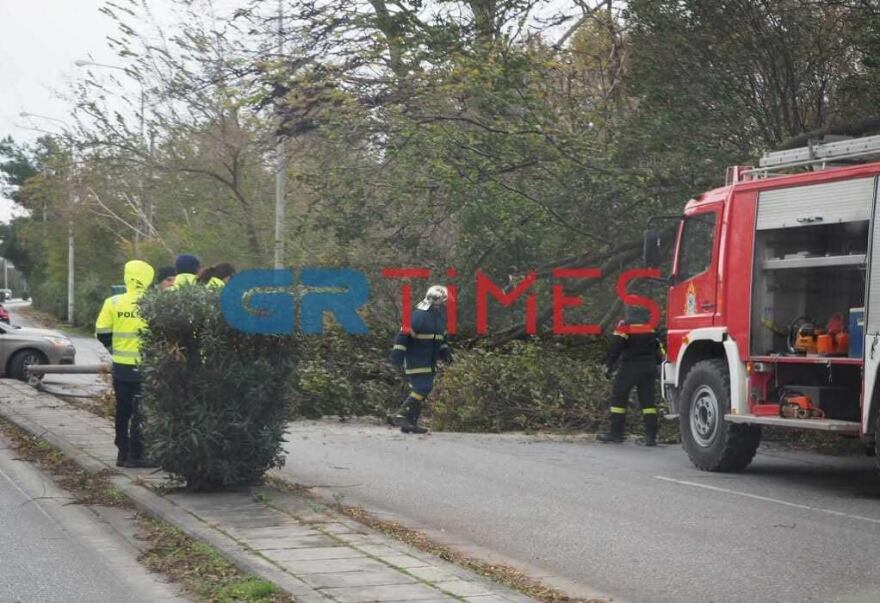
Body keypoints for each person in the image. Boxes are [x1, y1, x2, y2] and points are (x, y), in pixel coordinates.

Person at [95, 260, 156, 468]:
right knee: (142, 411)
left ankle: (122, 452)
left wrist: (113, 349)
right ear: (148, 277)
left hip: (121, 366)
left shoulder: (113, 302)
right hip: (146, 367)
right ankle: (137, 455)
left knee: (123, 410)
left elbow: (101, 331)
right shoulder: (154, 302)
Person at [388, 285, 453, 434]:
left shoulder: (439, 318)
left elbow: (440, 340)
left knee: (423, 389)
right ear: (438, 301)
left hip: (429, 362)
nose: (445, 304)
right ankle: (402, 415)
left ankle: (410, 424)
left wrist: (446, 353)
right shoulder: (419, 316)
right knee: (422, 388)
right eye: (444, 301)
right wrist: (397, 356)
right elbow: (403, 335)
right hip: (416, 360)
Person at [599, 306, 665, 446]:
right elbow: (659, 348)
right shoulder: (651, 327)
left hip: (630, 367)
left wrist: (608, 365)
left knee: (619, 398)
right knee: (648, 402)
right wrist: (659, 364)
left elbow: (616, 346)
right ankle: (651, 437)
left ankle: (616, 434)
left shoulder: (625, 326)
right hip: (648, 367)